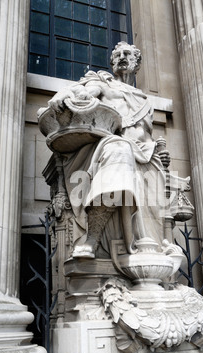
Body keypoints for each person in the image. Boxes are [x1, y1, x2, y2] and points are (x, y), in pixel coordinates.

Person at [48, 42, 171, 259]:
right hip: (115, 145)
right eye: (118, 54)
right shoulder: (104, 84)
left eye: (128, 54)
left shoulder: (144, 100)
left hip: (147, 153)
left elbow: (146, 134)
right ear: (112, 62)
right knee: (119, 150)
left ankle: (157, 243)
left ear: (136, 63)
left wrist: (159, 154)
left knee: (155, 172)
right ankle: (92, 238)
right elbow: (83, 92)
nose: (122, 57)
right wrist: (66, 94)